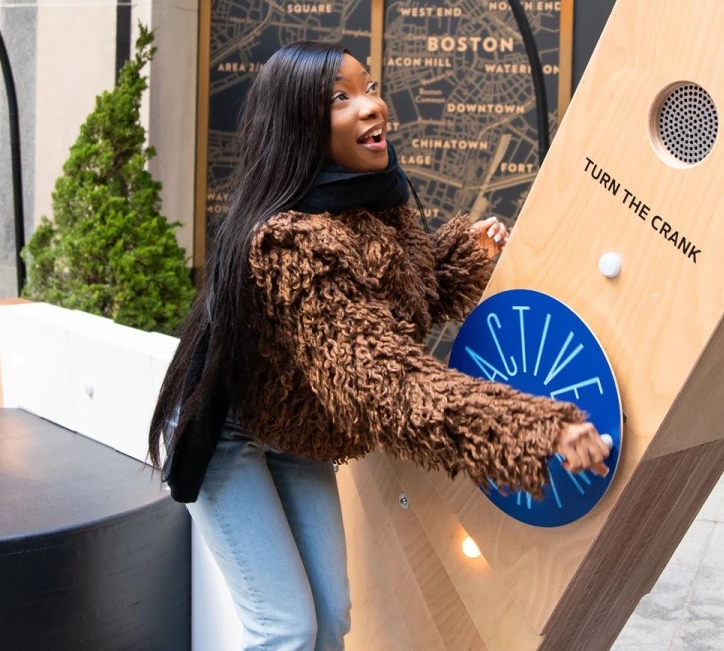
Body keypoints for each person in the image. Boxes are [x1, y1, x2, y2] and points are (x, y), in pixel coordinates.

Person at [148, 41, 609, 651]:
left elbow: (401, 304)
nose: (371, 106)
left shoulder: (375, 207)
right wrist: (532, 429)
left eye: (368, 87)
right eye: (340, 98)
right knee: (286, 628)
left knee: (333, 616)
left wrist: (469, 255)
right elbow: (385, 385)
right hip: (227, 433)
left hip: (297, 429)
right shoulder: (290, 242)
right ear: (300, 126)